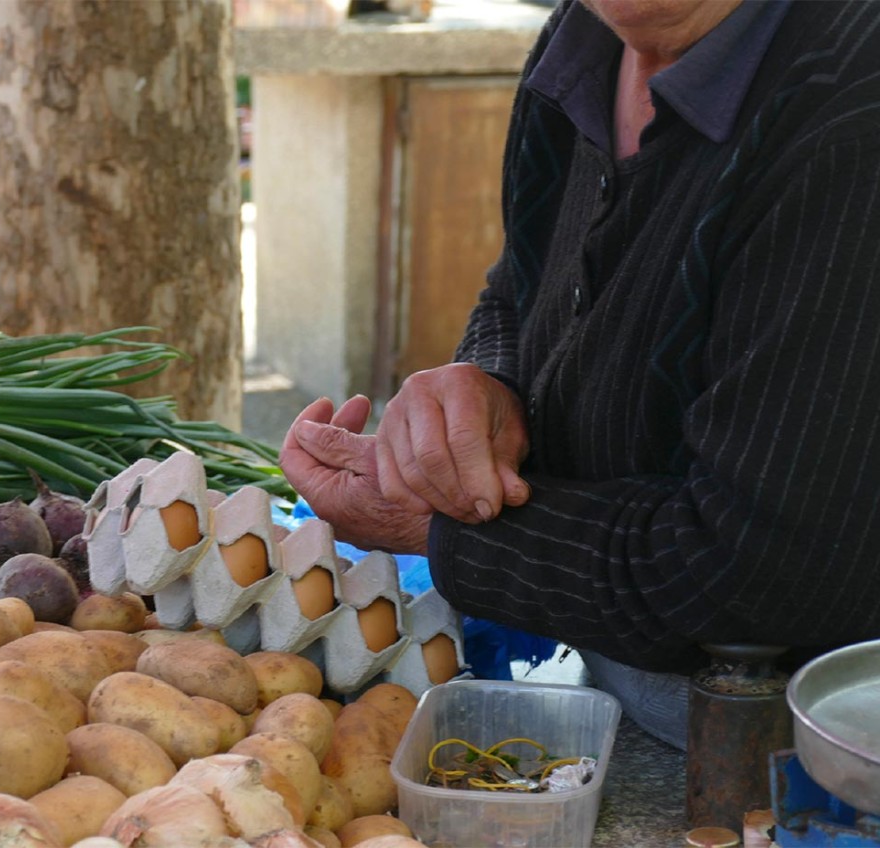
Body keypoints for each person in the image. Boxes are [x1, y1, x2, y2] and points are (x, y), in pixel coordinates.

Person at [280, 0, 880, 748]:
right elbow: (521, 286)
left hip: (808, 759)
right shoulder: (586, 40)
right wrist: (488, 384)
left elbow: (758, 577)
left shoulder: (850, 115)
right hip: (612, 676)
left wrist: (436, 526)